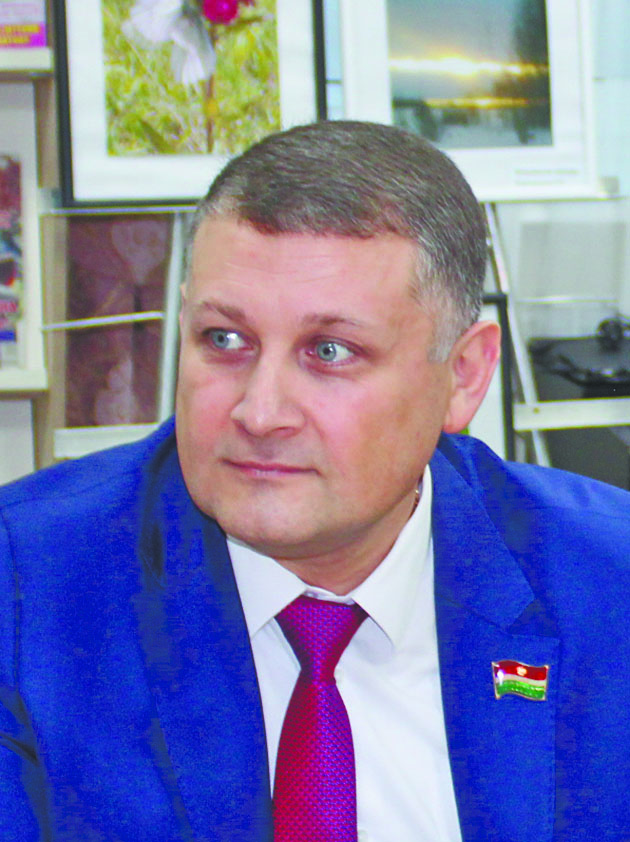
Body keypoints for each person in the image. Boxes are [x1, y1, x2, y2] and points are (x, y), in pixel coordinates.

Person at [1, 120, 630, 842]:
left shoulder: (606, 581)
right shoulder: (27, 588)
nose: (260, 412)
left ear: (463, 375)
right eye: (224, 340)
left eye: (329, 351)